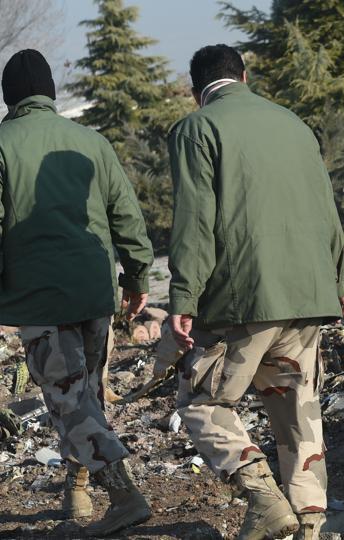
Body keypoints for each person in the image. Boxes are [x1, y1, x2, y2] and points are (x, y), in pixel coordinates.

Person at [167, 44, 344, 540]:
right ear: (245, 76)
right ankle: (310, 525)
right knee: (297, 409)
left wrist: (183, 298)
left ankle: (263, 498)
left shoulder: (197, 128)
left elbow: (195, 222)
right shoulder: (293, 123)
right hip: (309, 293)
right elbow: (326, 208)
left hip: (243, 298)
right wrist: (338, 280)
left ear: (195, 90)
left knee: (200, 402)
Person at [0, 49, 154, 536]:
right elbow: (125, 214)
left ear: (8, 97)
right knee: (84, 397)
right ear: (49, 91)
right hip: (94, 290)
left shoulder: (1, 143)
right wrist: (136, 278)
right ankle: (79, 491)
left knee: (70, 401)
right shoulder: (92, 141)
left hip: (39, 297)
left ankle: (125, 494)